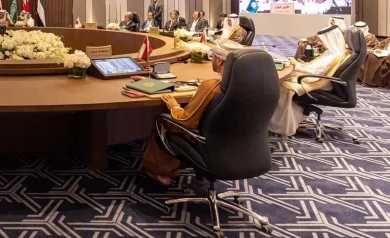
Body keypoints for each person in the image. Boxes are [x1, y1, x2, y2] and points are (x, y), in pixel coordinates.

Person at [143, 39, 245, 185]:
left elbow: (186, 121)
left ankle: (161, 171)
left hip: (206, 141)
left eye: (212, 56)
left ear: (219, 60)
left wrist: (174, 106)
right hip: (239, 143)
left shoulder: (213, 86)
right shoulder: (247, 84)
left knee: (165, 121)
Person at [269, 24, 348, 136]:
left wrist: (296, 65)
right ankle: (294, 120)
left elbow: (314, 73)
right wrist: (303, 65)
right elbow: (316, 69)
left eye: (323, 40)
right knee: (283, 82)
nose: (320, 43)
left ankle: (282, 126)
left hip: (319, 83)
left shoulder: (334, 56)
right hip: (318, 79)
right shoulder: (332, 52)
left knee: (282, 88)